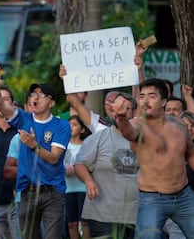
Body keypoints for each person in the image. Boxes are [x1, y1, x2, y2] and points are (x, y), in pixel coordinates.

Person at [0, 65, 71, 239]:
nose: (35, 98)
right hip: (27, 192)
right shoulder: (24, 118)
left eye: (41, 95)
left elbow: (54, 158)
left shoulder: (61, 126)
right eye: (33, 94)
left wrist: (34, 145)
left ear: (51, 102)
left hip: (53, 193)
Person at [113, 78, 194, 239]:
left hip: (185, 195)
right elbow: (129, 132)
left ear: (164, 101)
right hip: (153, 198)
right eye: (142, 96)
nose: (145, 100)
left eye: (151, 96)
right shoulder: (138, 125)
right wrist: (121, 118)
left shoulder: (179, 125)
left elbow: (190, 153)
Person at [74, 92, 139, 238]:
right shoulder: (98, 137)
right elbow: (80, 164)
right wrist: (88, 181)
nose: (120, 112)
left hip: (137, 216)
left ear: (134, 112)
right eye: (117, 108)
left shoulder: (144, 139)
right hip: (102, 215)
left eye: (126, 108)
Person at [0, 86, 20, 239]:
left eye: (6, 99)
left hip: (20, 201)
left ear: (13, 104)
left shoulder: (22, 132)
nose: (1, 102)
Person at [64, 115, 91, 239]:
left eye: (74, 125)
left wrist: (75, 169)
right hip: (68, 188)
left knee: (84, 222)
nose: (71, 127)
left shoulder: (87, 146)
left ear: (82, 129)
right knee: (71, 223)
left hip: (83, 188)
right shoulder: (62, 146)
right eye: (69, 124)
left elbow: (90, 165)